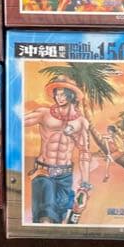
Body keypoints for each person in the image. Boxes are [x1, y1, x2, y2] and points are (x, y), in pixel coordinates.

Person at [25, 78, 91, 224]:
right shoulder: (44, 114)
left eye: (63, 94)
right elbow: (15, 122)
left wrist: (85, 186)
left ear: (71, 95)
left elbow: (84, 154)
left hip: (65, 176)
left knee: (60, 217)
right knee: (46, 217)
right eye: (57, 94)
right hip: (43, 173)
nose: (59, 98)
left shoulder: (81, 122)